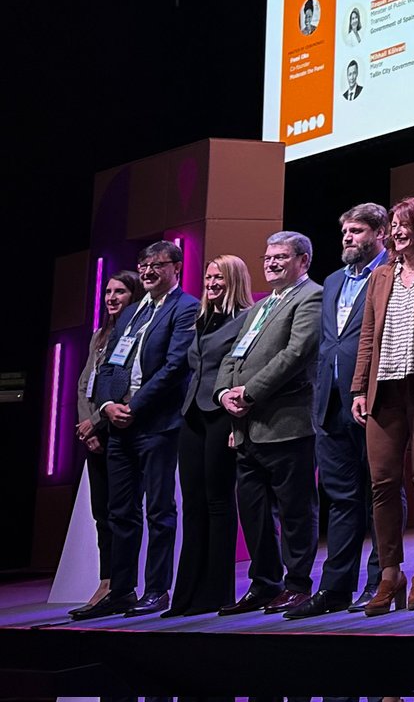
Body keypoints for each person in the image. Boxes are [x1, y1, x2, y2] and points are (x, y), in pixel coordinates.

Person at [76, 240, 198, 619]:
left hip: (157, 424)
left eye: (156, 265)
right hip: (119, 426)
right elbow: (109, 367)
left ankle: (157, 589)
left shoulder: (185, 307)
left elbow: (176, 366)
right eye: (143, 265)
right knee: (120, 512)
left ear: (176, 267)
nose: (147, 271)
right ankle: (121, 590)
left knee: (159, 511)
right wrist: (107, 406)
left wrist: (135, 406)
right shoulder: (131, 313)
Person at [216, 232, 324, 615]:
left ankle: (297, 585)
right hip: (247, 428)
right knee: (255, 512)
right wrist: (223, 394)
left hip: (288, 424)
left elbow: (295, 354)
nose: (271, 263)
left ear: (303, 261)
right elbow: (233, 356)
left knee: (296, 511)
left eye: (281, 257)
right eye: (267, 257)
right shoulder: (261, 306)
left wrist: (249, 393)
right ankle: (264, 584)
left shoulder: (312, 296)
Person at [351, 196, 414, 615]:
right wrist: (359, 388)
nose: (397, 231)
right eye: (393, 224)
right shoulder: (381, 275)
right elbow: (367, 335)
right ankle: (390, 573)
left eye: (405, 223)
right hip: (383, 389)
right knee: (383, 483)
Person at [295, 203, 387, 618]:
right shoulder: (332, 280)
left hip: (374, 399)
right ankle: (335, 588)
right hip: (331, 402)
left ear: (380, 233)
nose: (348, 238)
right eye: (346, 231)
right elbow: (327, 342)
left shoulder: (390, 274)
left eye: (357, 231)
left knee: (381, 494)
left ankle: (381, 581)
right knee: (341, 497)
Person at [167, 255, 254, 617]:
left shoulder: (245, 318)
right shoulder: (201, 318)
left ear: (234, 280)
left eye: (219, 278)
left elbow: (242, 369)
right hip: (192, 415)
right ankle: (186, 595)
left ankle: (217, 592)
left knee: (218, 502)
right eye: (208, 277)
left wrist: (237, 425)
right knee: (193, 504)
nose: (212, 283)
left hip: (221, 415)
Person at [69, 269, 141, 620]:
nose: (112, 298)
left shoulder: (136, 332)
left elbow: (125, 386)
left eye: (120, 292)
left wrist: (97, 421)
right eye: (109, 292)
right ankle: (106, 580)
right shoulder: (99, 335)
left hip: (119, 430)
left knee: (120, 511)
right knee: (101, 514)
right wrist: (87, 428)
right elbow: (85, 384)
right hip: (93, 434)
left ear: (133, 296)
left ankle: (122, 586)